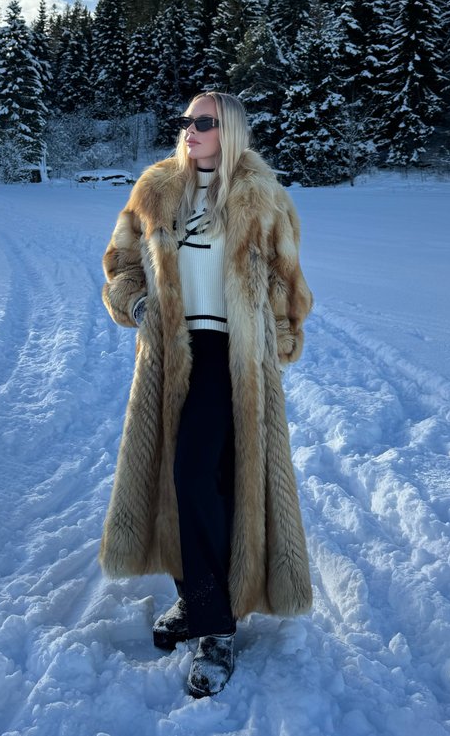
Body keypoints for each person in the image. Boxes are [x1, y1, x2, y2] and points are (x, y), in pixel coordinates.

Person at [99, 91, 313, 698]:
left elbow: (289, 283)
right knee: (184, 479)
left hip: (235, 359)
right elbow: (119, 263)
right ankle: (198, 596)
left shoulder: (264, 199)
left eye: (204, 122)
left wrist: (282, 336)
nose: (189, 130)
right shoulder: (155, 190)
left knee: (201, 475)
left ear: (232, 131)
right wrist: (136, 303)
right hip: (172, 355)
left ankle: (213, 626)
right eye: (186, 121)